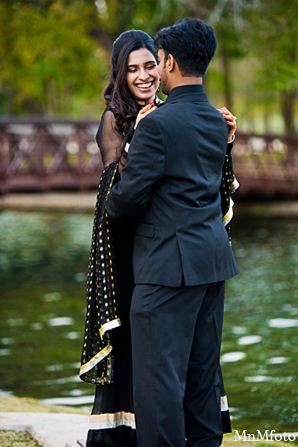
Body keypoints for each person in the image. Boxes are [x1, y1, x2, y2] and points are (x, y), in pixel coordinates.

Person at [80, 27, 237, 447]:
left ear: (166, 62)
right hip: (179, 258)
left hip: (165, 264)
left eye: (151, 62)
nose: (145, 74)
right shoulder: (202, 115)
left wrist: (226, 142)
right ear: (119, 73)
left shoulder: (168, 118)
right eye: (132, 68)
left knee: (163, 382)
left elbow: (121, 202)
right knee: (194, 372)